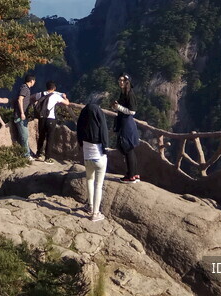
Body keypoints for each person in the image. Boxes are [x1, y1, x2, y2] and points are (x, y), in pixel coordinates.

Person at [76, 92, 109, 222]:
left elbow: (78, 131)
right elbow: (104, 131)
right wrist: (106, 148)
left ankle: (89, 206)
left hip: (87, 157)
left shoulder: (83, 117)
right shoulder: (98, 113)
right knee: (98, 185)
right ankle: (95, 213)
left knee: (90, 180)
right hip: (99, 157)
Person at [34, 81, 71, 163]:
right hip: (51, 118)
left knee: (41, 136)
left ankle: (38, 155)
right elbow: (67, 103)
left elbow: (32, 97)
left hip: (42, 118)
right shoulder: (55, 96)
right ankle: (47, 158)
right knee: (50, 138)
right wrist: (65, 97)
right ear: (54, 88)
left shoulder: (41, 94)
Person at [114, 74, 141, 183]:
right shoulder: (124, 93)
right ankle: (134, 174)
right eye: (119, 80)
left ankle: (130, 176)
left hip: (127, 123)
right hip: (125, 122)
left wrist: (118, 107)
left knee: (127, 148)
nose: (121, 82)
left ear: (127, 82)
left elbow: (132, 111)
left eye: (123, 80)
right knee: (129, 149)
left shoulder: (129, 94)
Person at [10, 73, 35, 159]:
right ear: (31, 81)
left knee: (24, 135)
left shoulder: (24, 88)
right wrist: (22, 113)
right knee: (24, 135)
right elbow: (20, 99)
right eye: (34, 81)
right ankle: (26, 155)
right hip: (20, 116)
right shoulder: (25, 89)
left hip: (21, 116)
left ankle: (25, 153)